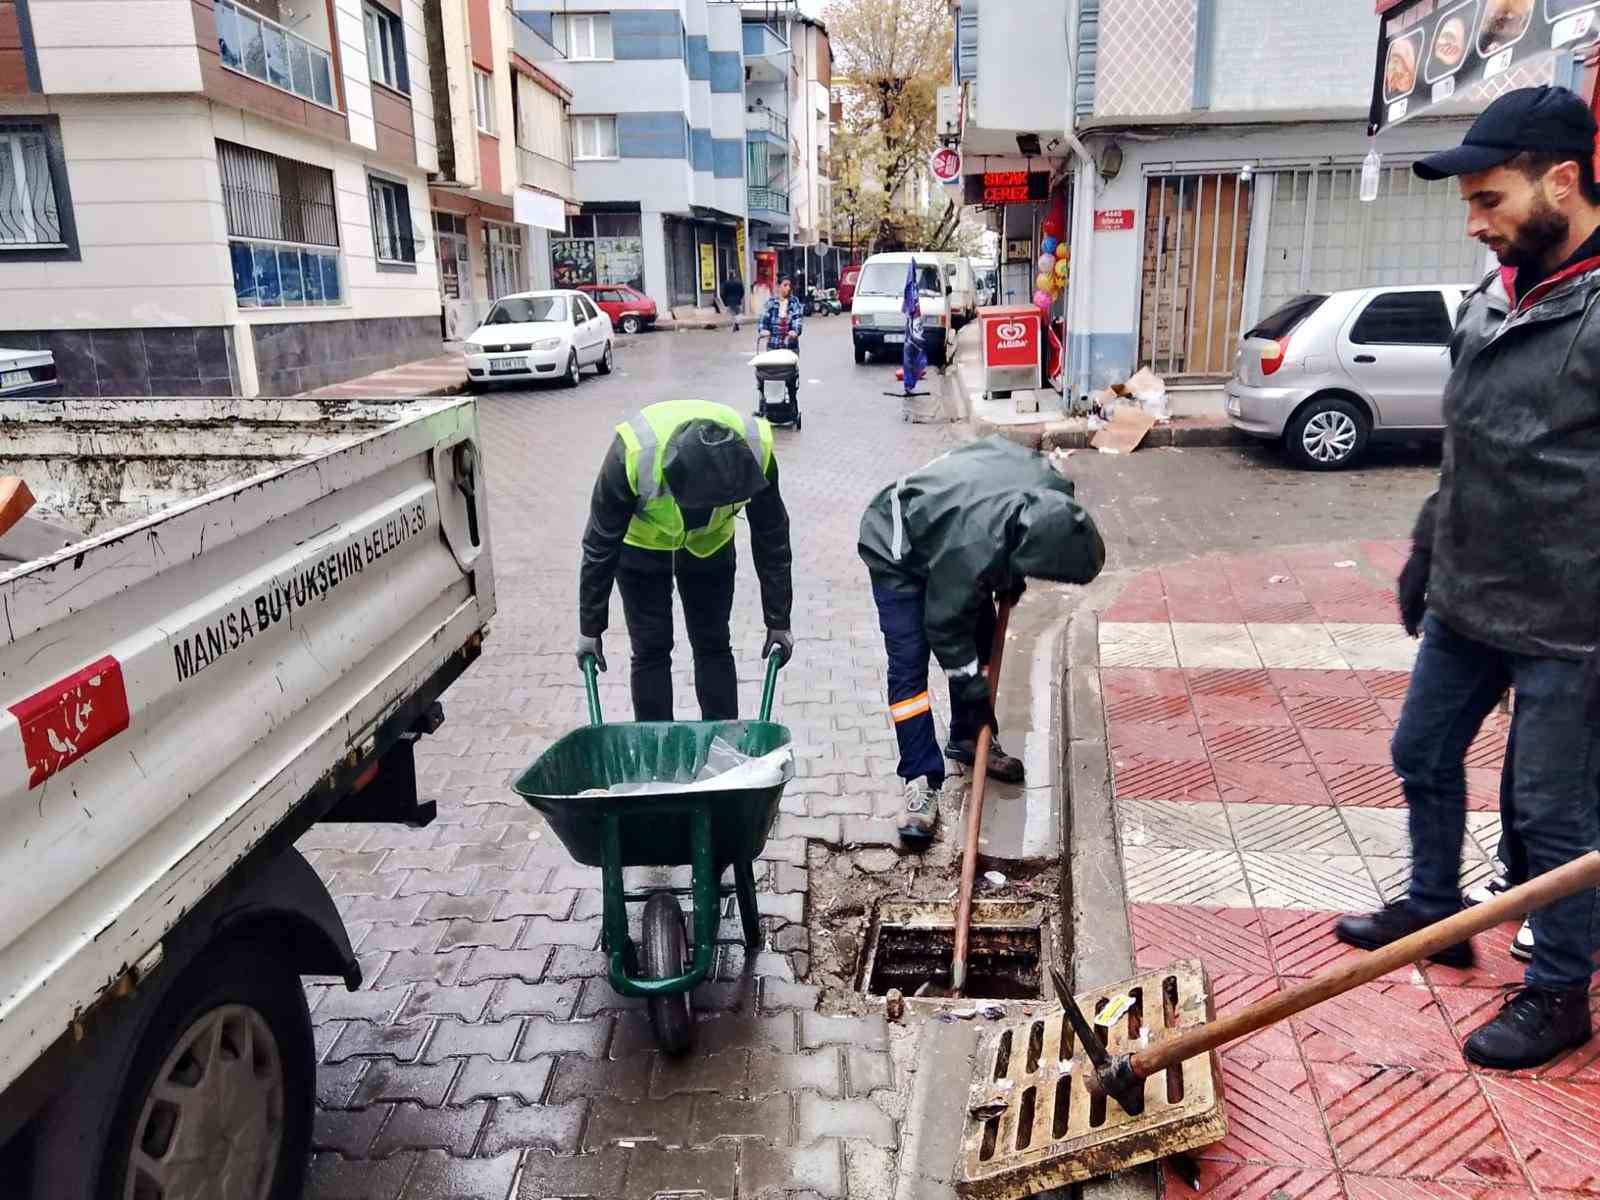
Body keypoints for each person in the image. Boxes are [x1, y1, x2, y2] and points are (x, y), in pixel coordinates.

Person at [1334, 86, 1600, 1071]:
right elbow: (1472, 445)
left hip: (1569, 621)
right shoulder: (1497, 294)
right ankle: (1435, 909)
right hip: (1468, 595)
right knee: (1421, 752)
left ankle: (1559, 992)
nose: (1475, 223)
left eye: (1490, 199)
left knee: (1551, 814)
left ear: (1561, 181)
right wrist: (1427, 545)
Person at [858, 437, 1106, 843]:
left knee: (983, 642)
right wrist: (974, 693)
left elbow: (1014, 545)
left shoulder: (1055, 493)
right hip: (897, 546)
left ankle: (969, 739)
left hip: (954, 525)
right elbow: (945, 626)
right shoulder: (972, 546)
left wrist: (1012, 574)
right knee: (909, 665)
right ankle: (920, 777)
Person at [577, 400, 794, 721]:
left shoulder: (755, 452)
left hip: (710, 546)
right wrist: (590, 628)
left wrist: (778, 620)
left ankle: (721, 742)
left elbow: (771, 535)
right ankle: (658, 745)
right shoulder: (634, 453)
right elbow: (599, 544)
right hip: (642, 545)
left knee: (713, 643)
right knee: (650, 648)